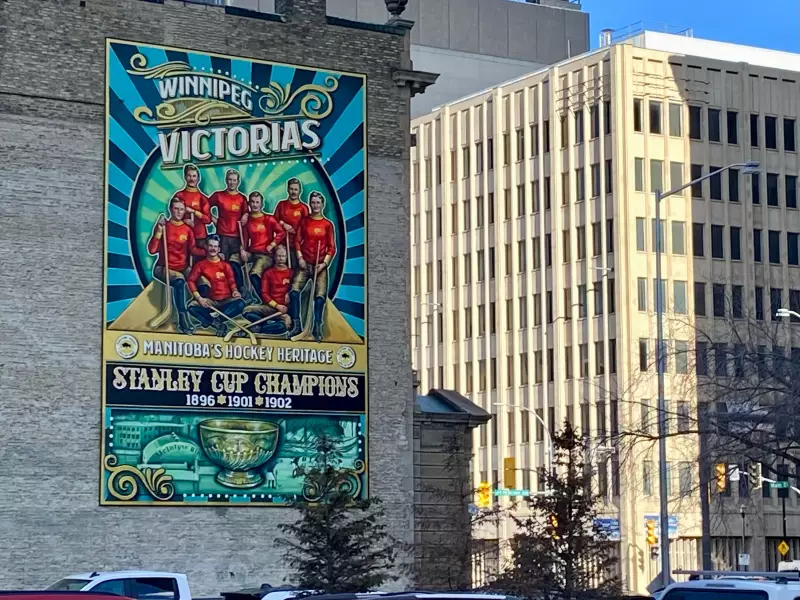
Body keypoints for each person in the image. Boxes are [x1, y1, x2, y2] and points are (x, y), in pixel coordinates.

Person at [146, 197, 205, 334]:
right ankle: (183, 320)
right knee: (179, 282)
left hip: (183, 267)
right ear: (170, 209)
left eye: (182, 209)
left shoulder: (187, 229)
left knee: (203, 282)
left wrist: (209, 252)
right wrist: (159, 231)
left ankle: (198, 312)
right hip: (164, 267)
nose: (179, 212)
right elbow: (152, 250)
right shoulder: (164, 226)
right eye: (176, 209)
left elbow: (193, 250)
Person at [289, 191, 336, 342]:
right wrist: (300, 258)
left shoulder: (328, 224)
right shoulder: (304, 221)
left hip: (320, 266)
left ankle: (317, 327)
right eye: (313, 202)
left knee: (320, 297)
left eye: (318, 203)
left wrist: (324, 264)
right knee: (294, 292)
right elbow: (297, 241)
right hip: (305, 264)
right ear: (310, 204)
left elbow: (331, 247)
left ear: (322, 205)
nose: (315, 205)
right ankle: (297, 325)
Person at [186, 235, 245, 337]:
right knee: (191, 307)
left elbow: (231, 281)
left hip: (226, 300)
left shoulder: (225, 265)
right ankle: (217, 323)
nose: (213, 249)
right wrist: (200, 299)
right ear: (206, 247)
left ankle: (216, 320)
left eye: (215, 246)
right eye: (210, 246)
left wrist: (235, 291)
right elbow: (191, 281)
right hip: (210, 302)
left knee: (240, 303)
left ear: (219, 249)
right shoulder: (200, 265)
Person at [240, 191, 286, 294]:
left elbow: (281, 232)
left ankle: (264, 298)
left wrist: (272, 244)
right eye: (252, 202)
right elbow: (245, 239)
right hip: (252, 253)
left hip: (265, 255)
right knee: (233, 262)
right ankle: (243, 293)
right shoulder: (248, 220)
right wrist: (242, 250)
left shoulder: (268, 219)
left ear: (261, 204)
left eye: (257, 202)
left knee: (254, 274)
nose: (255, 205)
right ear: (249, 204)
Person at [209, 169, 248, 288]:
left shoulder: (242, 198)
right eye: (230, 180)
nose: (232, 182)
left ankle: (240, 289)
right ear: (226, 180)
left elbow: (246, 212)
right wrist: (213, 219)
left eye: (234, 180)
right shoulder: (218, 195)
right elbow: (205, 206)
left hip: (236, 237)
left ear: (238, 182)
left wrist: (245, 215)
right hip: (222, 236)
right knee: (222, 264)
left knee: (234, 264)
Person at [242, 245, 293, 335]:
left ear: (287, 257)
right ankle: (265, 324)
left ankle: (258, 328)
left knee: (284, 326)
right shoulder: (268, 273)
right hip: (270, 307)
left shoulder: (291, 273)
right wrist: (277, 305)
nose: (281, 258)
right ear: (274, 256)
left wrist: (289, 294)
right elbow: (264, 294)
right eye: (278, 256)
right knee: (246, 311)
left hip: (284, 311)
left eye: (283, 256)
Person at [173, 164, 212, 261]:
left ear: (198, 178)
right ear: (185, 177)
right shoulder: (179, 195)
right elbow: (173, 216)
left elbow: (208, 220)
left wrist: (194, 212)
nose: (192, 179)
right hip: (183, 237)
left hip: (200, 237)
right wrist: (184, 221)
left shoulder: (203, 198)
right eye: (189, 176)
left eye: (194, 176)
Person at [273, 178, 309, 268]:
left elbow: (307, 226)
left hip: (297, 247)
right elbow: (273, 221)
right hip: (282, 245)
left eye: (296, 189)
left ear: (300, 191)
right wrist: (283, 224)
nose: (293, 192)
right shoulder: (281, 205)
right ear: (288, 189)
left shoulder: (303, 208)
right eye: (291, 189)